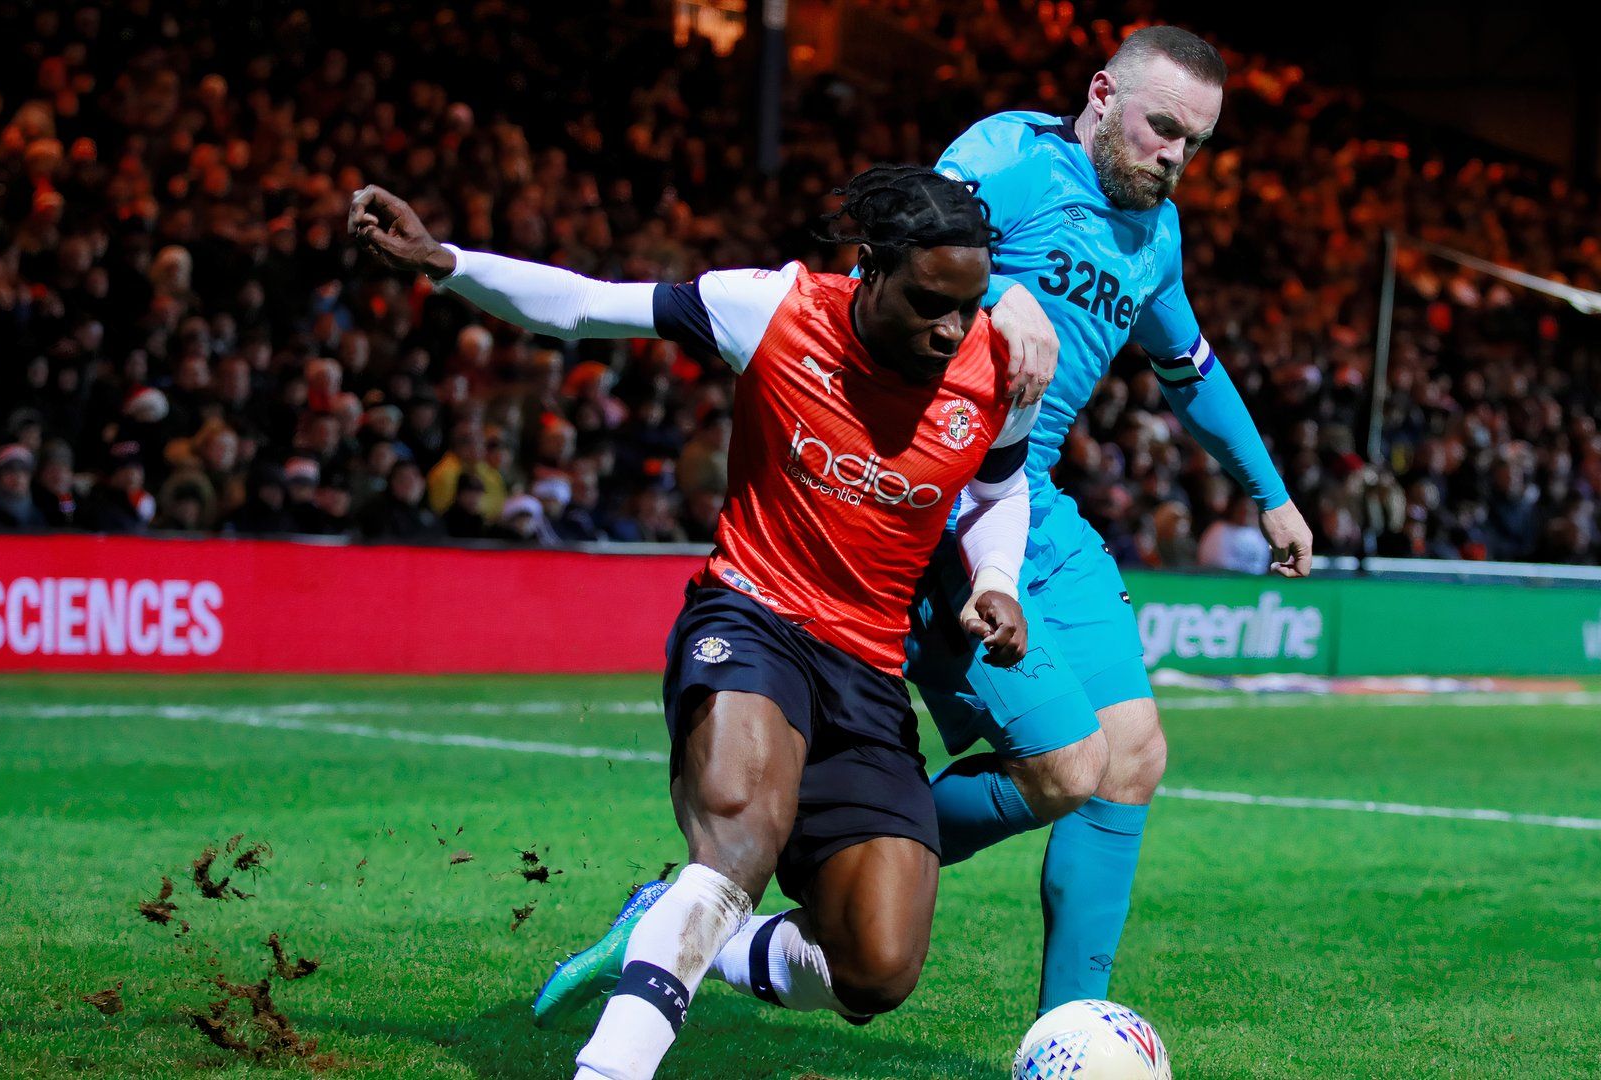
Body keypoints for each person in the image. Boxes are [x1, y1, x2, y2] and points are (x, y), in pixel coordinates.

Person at [351, 163, 1049, 1080]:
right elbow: (582, 307)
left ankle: (690, 929)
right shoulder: (773, 310)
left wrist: (998, 578)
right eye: (930, 302)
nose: (952, 328)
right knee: (737, 842)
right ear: (870, 269)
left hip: (870, 668)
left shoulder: (1000, 364)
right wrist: (444, 261)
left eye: (967, 305)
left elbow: (999, 487)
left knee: (877, 969)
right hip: (752, 615)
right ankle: (614, 1065)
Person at [901, 25, 1316, 1014]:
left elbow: (1194, 374)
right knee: (1062, 767)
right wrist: (997, 292)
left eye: (1194, 144)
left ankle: (1067, 1045)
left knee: (1131, 758)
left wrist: (1274, 493)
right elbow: (903, 232)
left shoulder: (1155, 240)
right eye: (1162, 127)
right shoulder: (1011, 155)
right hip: (945, 497)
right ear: (1102, 94)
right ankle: (810, 852)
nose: (1175, 157)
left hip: (1038, 504)